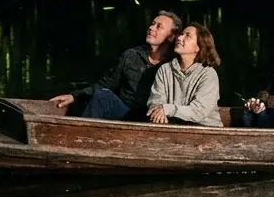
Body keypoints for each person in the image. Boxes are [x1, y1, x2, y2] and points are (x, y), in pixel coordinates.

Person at [48, 11, 182, 120]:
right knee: (103, 96)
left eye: (159, 26)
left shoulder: (174, 64)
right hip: (125, 113)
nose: (151, 28)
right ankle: (81, 139)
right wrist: (74, 96)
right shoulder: (131, 55)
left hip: (155, 117)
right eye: (152, 24)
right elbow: (107, 83)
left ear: (171, 36)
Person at [147, 23, 223, 127]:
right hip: (172, 131)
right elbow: (155, 102)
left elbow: (199, 111)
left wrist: (167, 109)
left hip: (206, 132)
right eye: (181, 34)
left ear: (198, 47)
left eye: (188, 36)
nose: (180, 38)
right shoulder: (165, 70)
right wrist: (159, 112)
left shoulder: (208, 74)